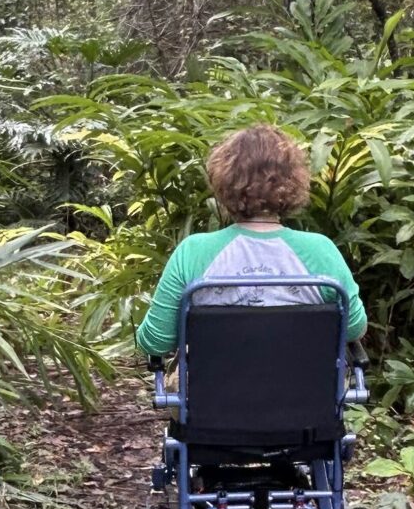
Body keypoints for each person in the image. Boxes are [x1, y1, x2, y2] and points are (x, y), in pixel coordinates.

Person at [135, 124, 367, 360]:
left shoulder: (192, 252)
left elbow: (155, 343)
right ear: (294, 181)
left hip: (214, 395)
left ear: (223, 182)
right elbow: (354, 328)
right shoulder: (320, 250)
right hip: (306, 396)